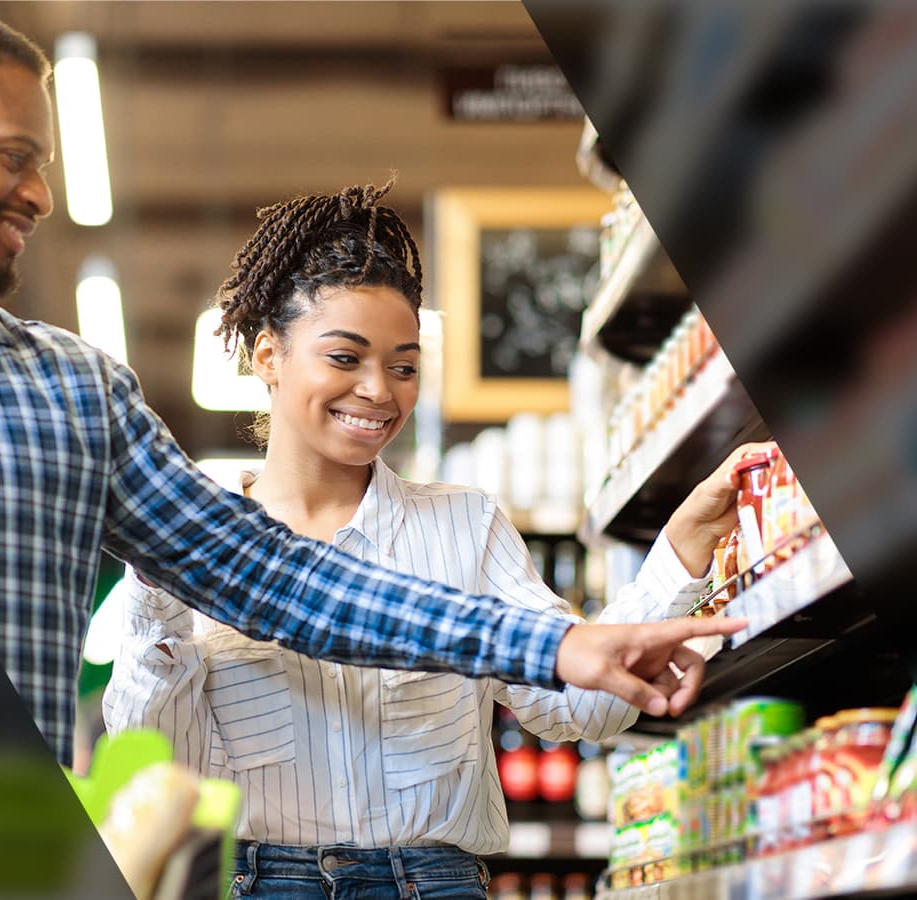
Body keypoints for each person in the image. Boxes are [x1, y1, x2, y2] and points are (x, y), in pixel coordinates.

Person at [0, 0, 740, 766]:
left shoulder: (70, 395)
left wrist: (567, 644)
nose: (41, 193)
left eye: (404, 364)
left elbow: (279, 580)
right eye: (14, 156)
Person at [102, 183, 762, 898]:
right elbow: (153, 759)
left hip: (434, 883)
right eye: (345, 358)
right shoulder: (202, 544)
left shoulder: (463, 525)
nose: (380, 391)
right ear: (268, 355)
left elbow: (580, 708)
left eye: (404, 365)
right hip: (260, 882)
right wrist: (155, 583)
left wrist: (687, 542)